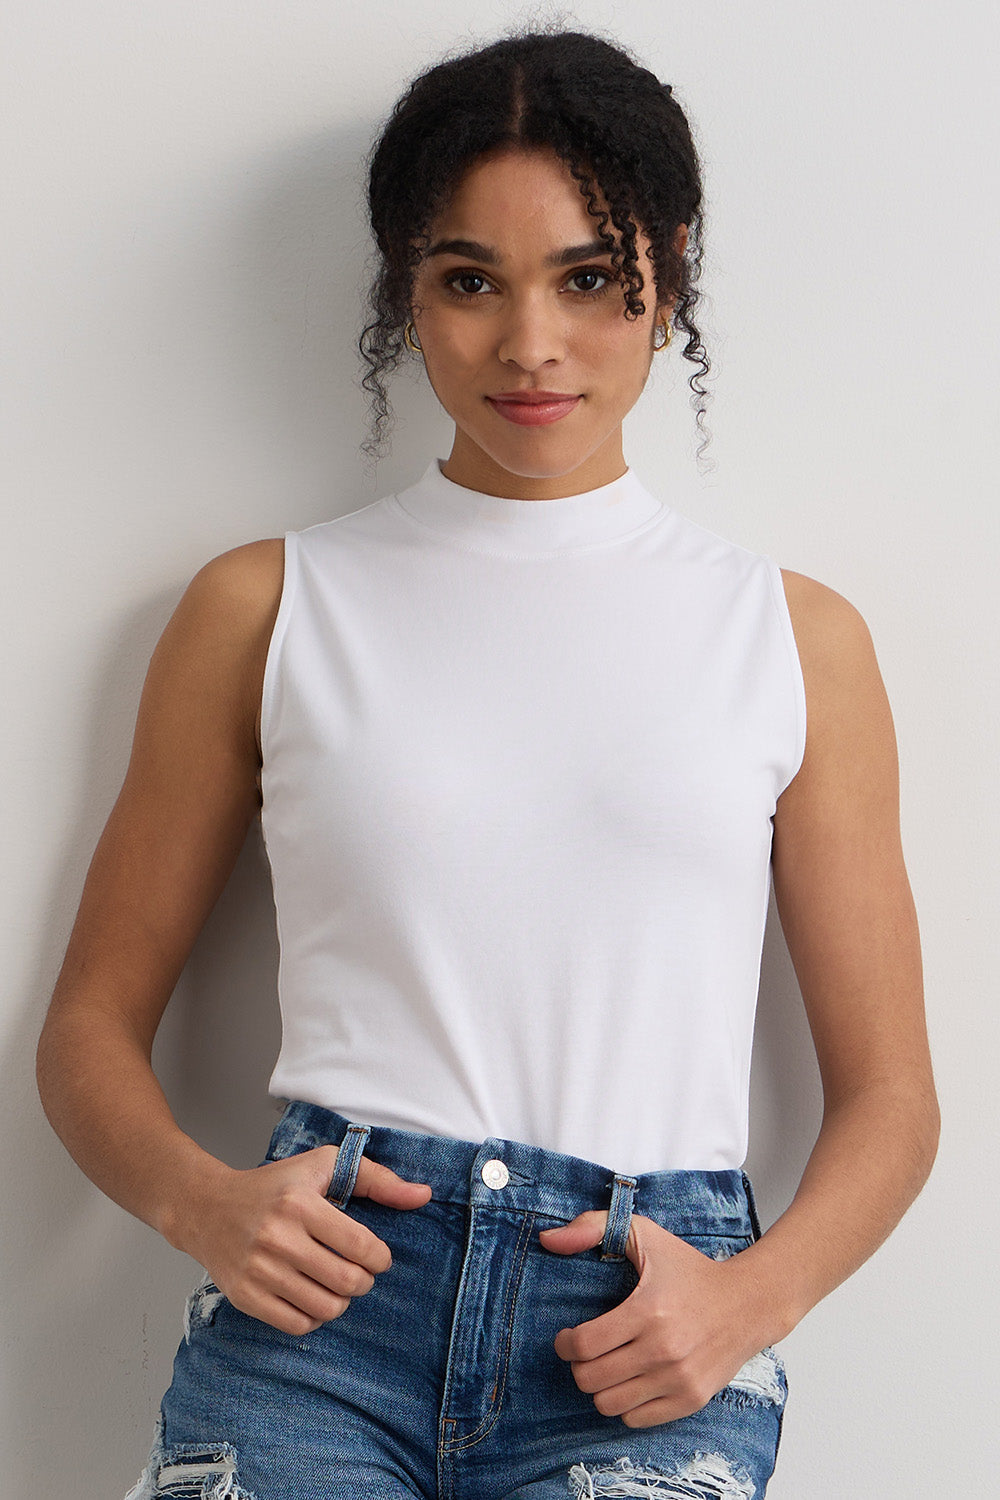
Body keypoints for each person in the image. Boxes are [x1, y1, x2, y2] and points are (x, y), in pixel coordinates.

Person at [35, 26, 939, 1500]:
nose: (529, 344)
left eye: (587, 278)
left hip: (645, 1328)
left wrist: (748, 1304)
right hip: (323, 1319)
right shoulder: (264, 607)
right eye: (471, 281)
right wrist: (201, 1204)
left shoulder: (791, 637)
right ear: (407, 285)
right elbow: (87, 1027)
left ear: (669, 274)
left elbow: (893, 1098)